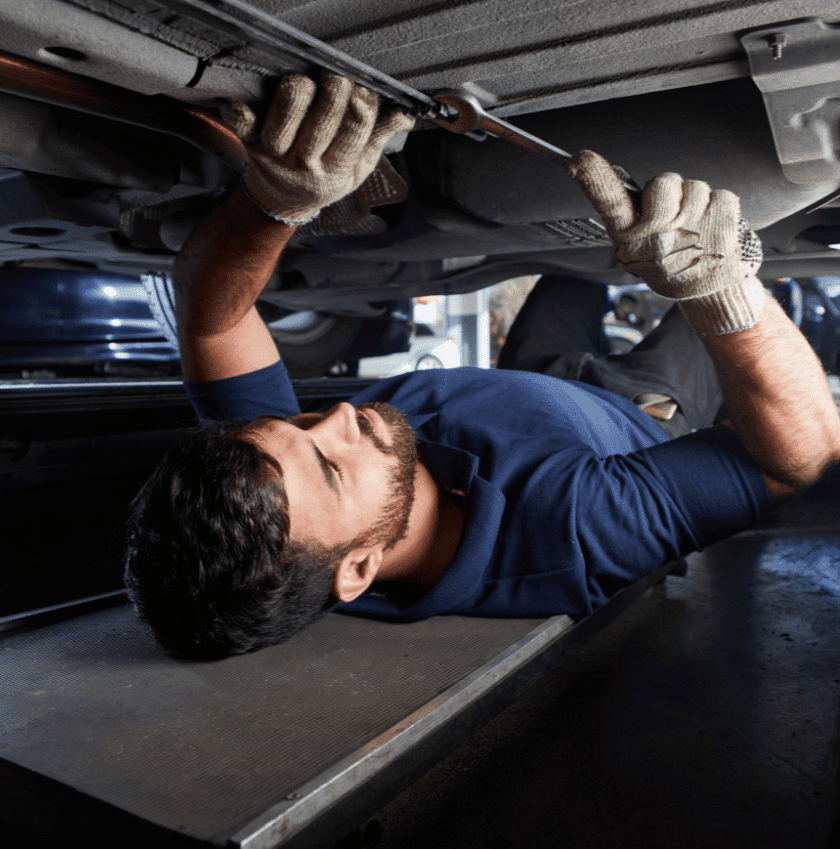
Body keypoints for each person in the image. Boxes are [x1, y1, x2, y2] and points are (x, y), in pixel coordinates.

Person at [124, 71, 840, 658]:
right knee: (733, 297)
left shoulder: (273, 478)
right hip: (648, 411)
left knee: (579, 262)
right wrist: (721, 290)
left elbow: (212, 315)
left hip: (532, 374)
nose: (338, 414)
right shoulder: (578, 531)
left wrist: (273, 200)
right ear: (359, 569)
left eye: (299, 424)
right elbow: (798, 463)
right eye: (333, 466)